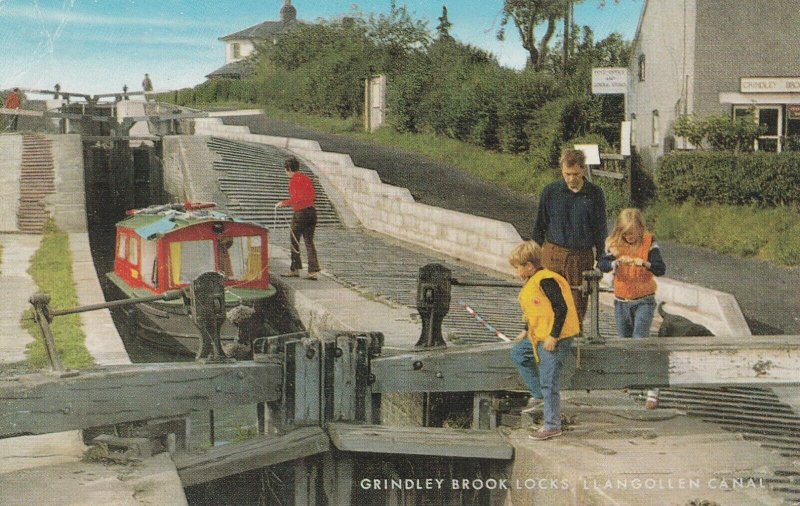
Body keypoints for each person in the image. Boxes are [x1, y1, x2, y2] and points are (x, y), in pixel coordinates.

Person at [508, 241, 580, 440]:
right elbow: (533, 311)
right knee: (518, 354)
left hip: (555, 338)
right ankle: (538, 395)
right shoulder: (532, 282)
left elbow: (561, 308)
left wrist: (554, 336)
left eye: (517, 268)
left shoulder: (546, 280)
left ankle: (552, 424)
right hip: (537, 336)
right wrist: (525, 331)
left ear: (529, 266)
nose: (516, 272)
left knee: (549, 381)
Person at [597, 208, 666, 409]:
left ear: (641, 229)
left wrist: (645, 263)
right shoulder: (615, 243)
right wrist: (614, 264)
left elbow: (661, 268)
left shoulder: (649, 242)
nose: (629, 237)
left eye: (633, 233)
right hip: (621, 300)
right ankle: (630, 379)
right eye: (626, 233)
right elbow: (602, 263)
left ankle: (653, 388)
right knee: (624, 342)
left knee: (639, 342)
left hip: (643, 299)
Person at [532, 149, 607, 327]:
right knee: (548, 301)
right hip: (552, 253)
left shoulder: (595, 194)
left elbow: (600, 229)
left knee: (577, 305)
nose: (571, 179)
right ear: (561, 170)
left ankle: (575, 343)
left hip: (579, 257)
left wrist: (602, 257)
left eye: (575, 174)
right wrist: (532, 257)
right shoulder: (550, 192)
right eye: (567, 174)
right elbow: (540, 225)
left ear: (583, 170)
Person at [275, 157, 320, 280]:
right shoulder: (306, 178)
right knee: (309, 242)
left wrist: (282, 203)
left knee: (294, 240)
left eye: (286, 170)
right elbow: (312, 195)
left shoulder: (294, 181)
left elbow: (297, 198)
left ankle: (295, 269)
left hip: (300, 213)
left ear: (289, 169)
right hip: (312, 212)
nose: (286, 172)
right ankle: (313, 271)